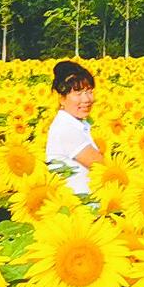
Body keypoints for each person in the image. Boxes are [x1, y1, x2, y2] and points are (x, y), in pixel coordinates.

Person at [45, 60, 103, 197]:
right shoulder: (66, 129)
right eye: (78, 93)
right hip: (77, 209)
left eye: (89, 91)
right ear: (62, 98)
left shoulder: (77, 124)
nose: (87, 99)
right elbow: (101, 167)